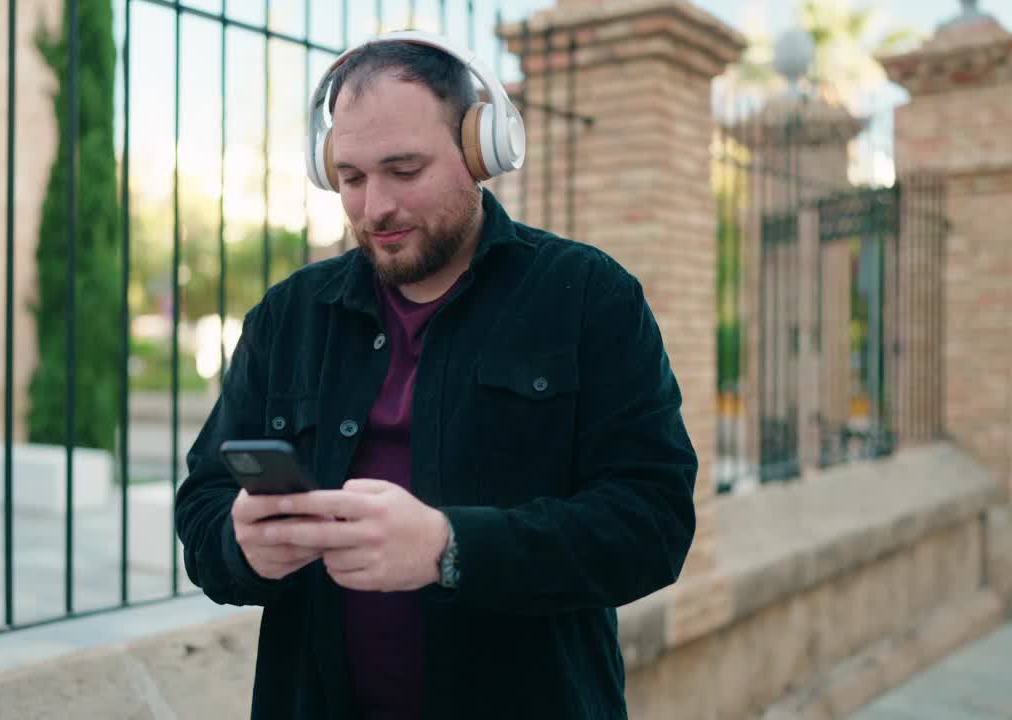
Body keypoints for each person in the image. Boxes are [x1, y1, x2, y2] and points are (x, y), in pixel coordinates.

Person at [175, 30, 698, 720]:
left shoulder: (587, 296)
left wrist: (452, 549)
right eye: (353, 178)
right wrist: (242, 548)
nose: (375, 208)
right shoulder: (288, 316)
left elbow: (652, 524)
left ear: (481, 151)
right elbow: (205, 503)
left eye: (404, 170)